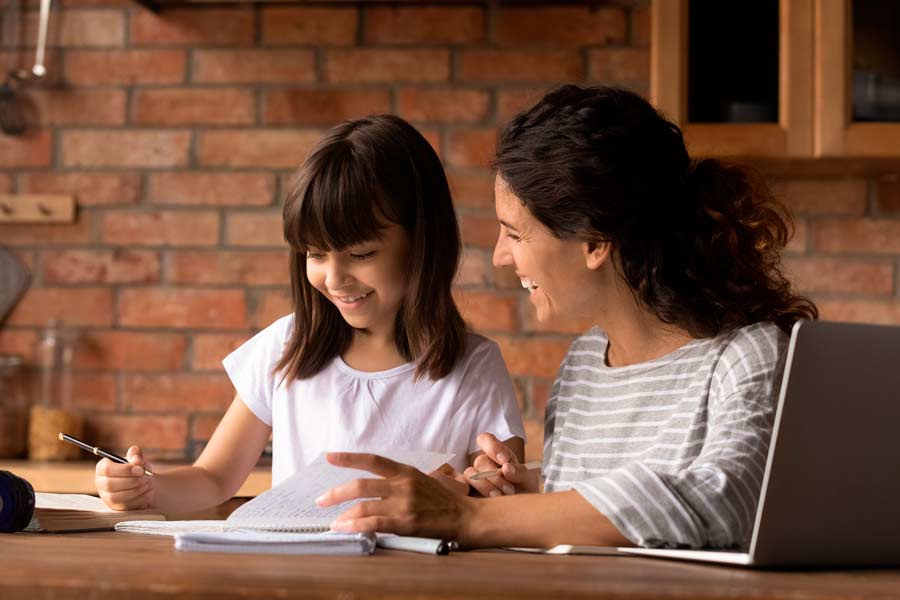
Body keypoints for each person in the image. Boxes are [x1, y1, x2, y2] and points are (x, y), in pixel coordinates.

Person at [315, 85, 818, 550]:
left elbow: (727, 502)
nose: (499, 258)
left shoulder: (747, 356)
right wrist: (521, 490)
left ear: (594, 242)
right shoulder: (582, 366)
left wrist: (468, 521)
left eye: (515, 234)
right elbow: (595, 517)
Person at [94, 115, 525, 513]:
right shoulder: (286, 348)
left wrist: (487, 483)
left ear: (422, 243)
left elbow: (500, 497)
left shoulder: (473, 368)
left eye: (361, 254)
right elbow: (213, 478)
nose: (335, 278)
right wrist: (148, 488)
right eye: (316, 254)